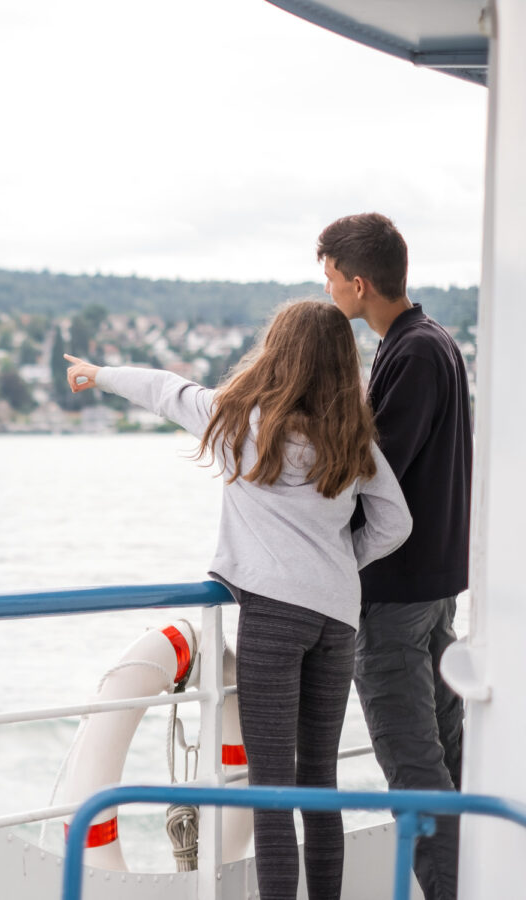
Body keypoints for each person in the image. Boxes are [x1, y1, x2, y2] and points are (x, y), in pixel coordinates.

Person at [65, 299, 411, 900]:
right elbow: (395, 523)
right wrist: (338, 565)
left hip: (274, 617)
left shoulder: (240, 421)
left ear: (278, 354)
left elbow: (166, 390)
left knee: (270, 788)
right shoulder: (352, 438)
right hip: (336, 618)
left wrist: (98, 374)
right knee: (318, 782)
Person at [317, 212, 472, 900]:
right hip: (432, 587)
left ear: (358, 284)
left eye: (330, 279)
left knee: (414, 770)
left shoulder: (410, 354)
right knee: (448, 756)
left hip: (397, 597)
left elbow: (378, 476)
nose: (327, 292)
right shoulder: (431, 342)